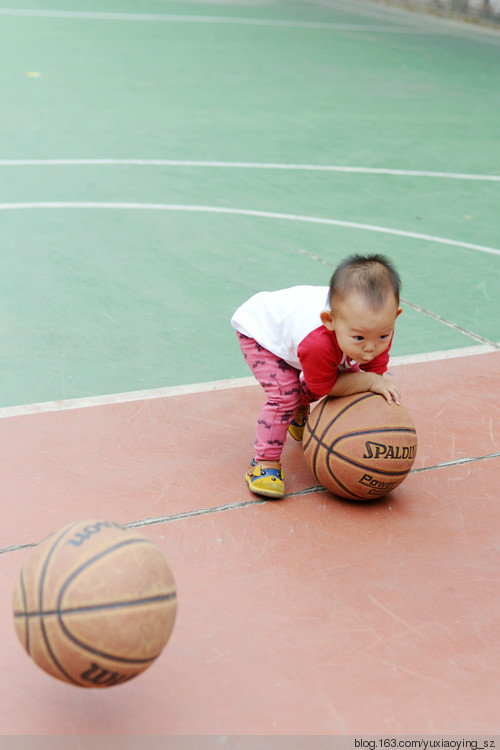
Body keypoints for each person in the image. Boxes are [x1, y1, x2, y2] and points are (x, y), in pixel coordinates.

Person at [231, 253, 403, 500]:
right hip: (263, 335)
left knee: (349, 380)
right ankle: (263, 464)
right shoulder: (319, 342)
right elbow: (325, 385)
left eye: (383, 337)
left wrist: (374, 397)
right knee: (285, 396)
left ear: (394, 317)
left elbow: (372, 373)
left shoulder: (374, 327)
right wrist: (370, 381)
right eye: (359, 338)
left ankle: (300, 414)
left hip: (300, 339)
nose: (371, 348)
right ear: (330, 321)